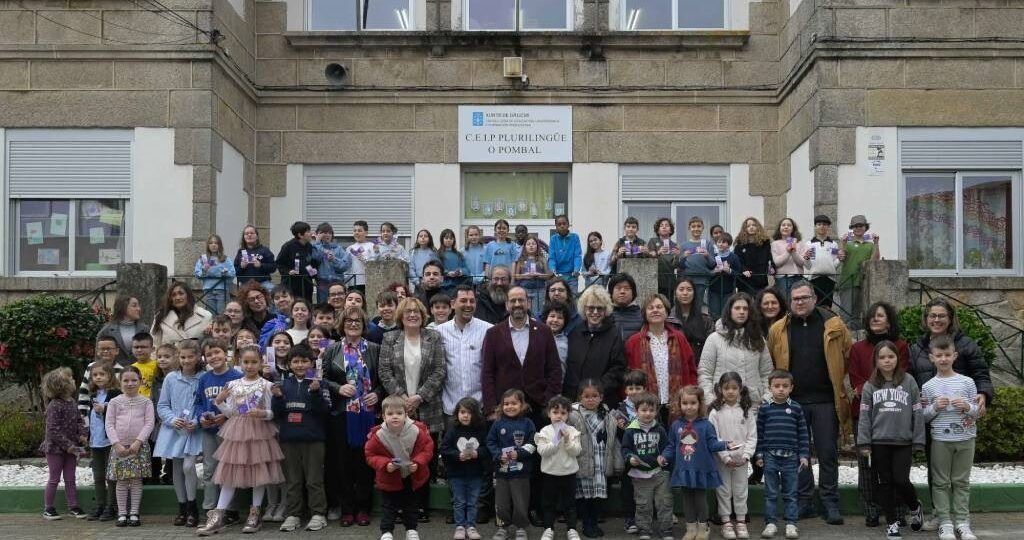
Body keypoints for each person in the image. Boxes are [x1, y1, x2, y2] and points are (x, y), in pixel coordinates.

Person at [766, 280, 851, 525]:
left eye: (804, 297)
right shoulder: (779, 329)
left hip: (825, 400)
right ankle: (803, 502)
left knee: (827, 453)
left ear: (814, 298)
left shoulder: (833, 324)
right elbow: (774, 360)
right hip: (793, 403)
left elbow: (846, 354)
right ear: (789, 302)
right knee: (797, 455)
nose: (800, 302)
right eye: (795, 299)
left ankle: (829, 502)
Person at [906, 298, 993, 534]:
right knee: (938, 474)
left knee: (959, 478)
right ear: (926, 319)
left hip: (961, 422)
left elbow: (981, 373)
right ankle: (941, 515)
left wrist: (983, 394)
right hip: (933, 418)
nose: (936, 320)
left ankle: (961, 519)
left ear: (950, 318)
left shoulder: (965, 344)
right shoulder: (918, 347)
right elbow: (910, 380)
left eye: (941, 315)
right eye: (932, 315)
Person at [198, 345, 286, 536]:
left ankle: (255, 513)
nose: (250, 366)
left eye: (254, 362)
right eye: (246, 362)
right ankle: (218, 515)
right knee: (230, 470)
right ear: (239, 362)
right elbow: (231, 412)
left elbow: (273, 413)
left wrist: (263, 413)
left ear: (261, 363)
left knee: (259, 471)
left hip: (259, 432)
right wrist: (219, 402)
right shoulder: (233, 385)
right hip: (237, 431)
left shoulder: (267, 385)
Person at [378, 297, 448, 521]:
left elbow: (439, 371)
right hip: (398, 410)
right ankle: (399, 507)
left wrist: (419, 396)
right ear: (400, 315)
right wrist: (402, 398)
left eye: (416, 311)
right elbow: (384, 372)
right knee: (398, 457)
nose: (412, 315)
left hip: (427, 407)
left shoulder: (434, 337)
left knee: (423, 458)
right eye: (407, 311)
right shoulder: (390, 338)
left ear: (422, 314)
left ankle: (420, 507)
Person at [857, 340, 926, 540]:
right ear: (876, 361)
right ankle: (892, 523)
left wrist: (918, 440)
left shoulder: (909, 381)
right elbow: (864, 417)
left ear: (897, 358)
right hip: (879, 442)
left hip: (903, 442)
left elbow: (918, 413)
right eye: (882, 357)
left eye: (891, 356)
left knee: (901, 480)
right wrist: (864, 442)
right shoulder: (870, 386)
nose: (887, 361)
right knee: (885, 483)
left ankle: (914, 507)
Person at [850, 302, 911, 527]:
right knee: (867, 466)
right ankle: (871, 509)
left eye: (880, 316)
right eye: (872, 316)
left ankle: (897, 511)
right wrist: (869, 394)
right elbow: (856, 379)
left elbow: (902, 377)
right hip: (864, 415)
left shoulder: (901, 347)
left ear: (889, 320)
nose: (875, 319)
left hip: (894, 414)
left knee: (895, 468)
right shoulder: (857, 349)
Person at [322, 306, 382, 527]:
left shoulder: (375, 349)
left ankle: (364, 508)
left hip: (368, 414)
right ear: (342, 324)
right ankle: (347, 509)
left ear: (364, 324)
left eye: (358, 321)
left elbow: (384, 379)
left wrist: (377, 394)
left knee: (365, 462)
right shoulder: (331, 350)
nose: (353, 324)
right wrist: (339, 389)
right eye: (349, 320)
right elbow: (323, 380)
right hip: (341, 414)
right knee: (343, 464)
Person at [920, 335, 980, 540]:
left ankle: (963, 522)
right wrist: (935, 407)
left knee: (961, 481)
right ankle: (945, 522)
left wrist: (968, 407)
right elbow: (924, 416)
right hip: (940, 440)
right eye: (939, 355)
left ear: (954, 356)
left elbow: (977, 412)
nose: (943, 359)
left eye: (947, 355)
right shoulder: (928, 386)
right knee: (940, 482)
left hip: (966, 438)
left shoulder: (967, 382)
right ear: (932, 358)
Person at [662, 385, 734, 540]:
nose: (689, 406)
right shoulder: (676, 425)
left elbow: (713, 444)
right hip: (684, 469)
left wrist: (726, 445)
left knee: (700, 500)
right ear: (679, 404)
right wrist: (664, 456)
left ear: (700, 404)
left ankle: (704, 527)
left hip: (701, 469)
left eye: (693, 403)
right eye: (685, 403)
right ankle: (690, 528)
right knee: (687, 500)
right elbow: (671, 445)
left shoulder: (706, 425)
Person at [271, 344, 330, 532]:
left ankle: (318, 514)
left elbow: (325, 410)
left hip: (314, 439)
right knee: (293, 480)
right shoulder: (282, 385)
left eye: (304, 361)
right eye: (295, 361)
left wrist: (315, 393)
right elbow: (277, 413)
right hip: (289, 439)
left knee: (314, 479)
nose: (300, 365)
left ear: (311, 363)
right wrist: (278, 398)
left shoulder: (320, 383)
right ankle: (293, 515)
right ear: (288, 364)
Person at [481, 286, 563, 418]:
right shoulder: (493, 333)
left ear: (528, 303)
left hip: (538, 407)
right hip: (505, 407)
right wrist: (491, 409)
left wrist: (549, 401)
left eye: (521, 300)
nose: (517, 304)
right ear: (507, 305)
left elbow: (554, 369)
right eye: (513, 301)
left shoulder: (544, 331)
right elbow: (487, 373)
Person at [365, 395, 435, 540]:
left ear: (406, 414)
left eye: (399, 413)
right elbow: (370, 454)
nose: (395, 417)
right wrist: (385, 464)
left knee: (411, 505)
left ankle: (411, 529)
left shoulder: (417, 430)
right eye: (390, 414)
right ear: (383, 416)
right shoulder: (378, 435)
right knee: (389, 506)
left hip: (411, 475)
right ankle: (386, 532)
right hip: (389, 477)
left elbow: (427, 448)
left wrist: (418, 462)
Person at [625, 294, 699, 424]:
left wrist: (691, 393)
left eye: (659, 307)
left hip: (677, 404)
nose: (655, 310)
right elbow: (627, 375)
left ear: (666, 312)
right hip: (645, 407)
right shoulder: (634, 341)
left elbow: (691, 368)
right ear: (645, 314)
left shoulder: (679, 338)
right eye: (650, 308)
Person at [755, 370, 810, 540]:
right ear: (770, 387)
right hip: (770, 456)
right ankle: (770, 523)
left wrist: (803, 455)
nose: (780, 389)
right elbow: (760, 433)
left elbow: (803, 433)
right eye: (776, 386)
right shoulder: (765, 408)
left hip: (791, 457)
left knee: (790, 493)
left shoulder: (796, 408)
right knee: (770, 492)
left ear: (791, 388)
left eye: (785, 386)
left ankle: (791, 524)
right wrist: (759, 455)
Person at [153, 339, 202, 528]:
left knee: (189, 466)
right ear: (177, 358)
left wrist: (197, 421)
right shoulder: (171, 378)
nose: (187, 360)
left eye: (191, 357)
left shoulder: (203, 377)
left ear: (198, 357)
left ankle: (193, 506)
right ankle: (182, 507)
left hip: (193, 430)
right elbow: (163, 405)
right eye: (183, 357)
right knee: (176, 468)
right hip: (175, 429)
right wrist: (172, 419)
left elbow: (206, 403)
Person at [193, 338, 243, 522]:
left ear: (226, 353)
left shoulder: (236, 377)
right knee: (209, 469)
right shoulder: (204, 379)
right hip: (209, 431)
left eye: (217, 352)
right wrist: (200, 417)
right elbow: (198, 402)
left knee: (229, 469)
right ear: (205, 358)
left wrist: (227, 416)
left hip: (230, 430)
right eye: (209, 354)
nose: (214, 357)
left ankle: (230, 509)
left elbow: (243, 404)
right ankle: (210, 508)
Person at [568, 379, 622, 538]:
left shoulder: (607, 415)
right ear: (580, 397)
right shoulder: (573, 415)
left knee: (597, 496)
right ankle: (586, 524)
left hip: (600, 461)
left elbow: (613, 440)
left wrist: (616, 461)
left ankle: (594, 522)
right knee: (585, 496)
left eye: (594, 396)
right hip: (583, 461)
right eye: (586, 396)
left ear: (601, 397)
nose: (590, 399)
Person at [698, 292, 773, 402]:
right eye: (737, 308)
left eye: (745, 309)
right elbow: (705, 373)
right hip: (722, 406)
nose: (741, 312)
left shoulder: (758, 339)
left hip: (753, 405)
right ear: (729, 311)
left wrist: (766, 398)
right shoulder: (714, 339)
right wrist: (711, 400)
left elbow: (767, 373)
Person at [708, 372, 757, 540]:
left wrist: (746, 455)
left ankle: (741, 521)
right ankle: (726, 521)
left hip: (742, 460)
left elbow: (752, 436)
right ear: (720, 390)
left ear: (740, 389)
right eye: (726, 388)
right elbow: (714, 437)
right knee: (723, 490)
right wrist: (725, 457)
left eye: (734, 388)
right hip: (723, 460)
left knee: (740, 490)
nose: (730, 391)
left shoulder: (746, 411)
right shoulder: (715, 412)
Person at [105, 366, 155, 528]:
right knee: (121, 481)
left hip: (138, 448)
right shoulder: (114, 402)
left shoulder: (146, 402)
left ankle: (134, 513)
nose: (130, 383)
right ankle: (122, 513)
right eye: (126, 380)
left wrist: (138, 441)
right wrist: (116, 444)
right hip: (119, 448)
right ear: (120, 382)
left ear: (140, 381)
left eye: (134, 380)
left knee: (135, 480)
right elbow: (109, 424)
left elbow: (149, 423)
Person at [486, 389, 537, 540]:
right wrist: (498, 455)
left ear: (522, 405)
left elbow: (533, 443)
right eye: (506, 404)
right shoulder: (497, 424)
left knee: (520, 503)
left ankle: (521, 528)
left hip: (521, 473)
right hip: (502, 472)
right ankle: (502, 527)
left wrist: (519, 454)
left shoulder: (528, 423)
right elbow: (490, 442)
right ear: (501, 406)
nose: (510, 407)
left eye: (514, 403)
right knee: (501, 504)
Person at [563, 285, 626, 408]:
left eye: (600, 308)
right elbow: (569, 367)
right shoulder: (575, 332)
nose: (595, 312)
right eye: (591, 308)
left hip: (603, 400)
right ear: (584, 309)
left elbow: (618, 368)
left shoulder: (614, 334)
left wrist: (596, 390)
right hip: (575, 400)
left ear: (606, 310)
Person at [620, 391, 671, 540]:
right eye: (643, 410)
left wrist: (664, 456)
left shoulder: (660, 429)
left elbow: (667, 446)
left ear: (656, 411)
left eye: (651, 410)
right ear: (636, 411)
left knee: (664, 502)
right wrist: (630, 458)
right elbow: (625, 449)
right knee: (643, 504)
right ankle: (644, 530)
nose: (648, 414)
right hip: (639, 474)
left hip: (659, 473)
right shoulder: (630, 430)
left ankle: (666, 529)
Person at [40, 367, 88, 520]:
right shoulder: (54, 405)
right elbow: (52, 430)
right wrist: (69, 446)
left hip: (71, 449)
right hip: (55, 449)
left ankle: (73, 506)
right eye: (71, 378)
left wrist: (82, 434)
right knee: (54, 478)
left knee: (70, 478)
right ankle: (48, 508)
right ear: (62, 385)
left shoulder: (72, 402)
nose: (74, 380)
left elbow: (79, 420)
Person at [441, 397, 490, 540]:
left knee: (473, 501)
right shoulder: (453, 431)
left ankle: (471, 526)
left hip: (476, 474)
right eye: (462, 412)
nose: (465, 415)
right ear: (457, 413)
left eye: (469, 412)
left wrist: (477, 453)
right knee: (459, 501)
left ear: (475, 414)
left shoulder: (480, 431)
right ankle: (460, 527)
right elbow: (444, 449)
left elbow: (487, 448)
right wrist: (458, 455)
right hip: (456, 474)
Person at [535, 395, 583, 540]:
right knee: (548, 503)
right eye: (555, 412)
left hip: (569, 474)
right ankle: (548, 528)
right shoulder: (544, 431)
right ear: (549, 413)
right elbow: (542, 451)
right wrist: (557, 439)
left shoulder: (573, 431)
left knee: (570, 504)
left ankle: (572, 529)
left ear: (568, 415)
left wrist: (567, 439)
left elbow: (576, 451)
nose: (559, 416)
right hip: (550, 474)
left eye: (563, 413)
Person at [85, 362, 120, 521]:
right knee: (98, 475)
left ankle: (111, 506)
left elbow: (120, 412)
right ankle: (100, 504)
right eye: (95, 375)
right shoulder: (93, 395)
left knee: (111, 475)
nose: (98, 377)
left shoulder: (115, 394)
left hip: (110, 441)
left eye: (102, 374)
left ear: (110, 376)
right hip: (95, 441)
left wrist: (104, 409)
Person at [836, 214, 881, 329]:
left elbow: (875, 260)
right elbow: (841, 257)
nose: (858, 228)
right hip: (848, 282)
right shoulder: (848, 243)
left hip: (864, 283)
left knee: (858, 313)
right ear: (852, 228)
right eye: (855, 226)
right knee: (846, 313)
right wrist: (842, 244)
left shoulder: (870, 245)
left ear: (865, 227)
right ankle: (845, 338)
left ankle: (855, 339)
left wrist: (876, 243)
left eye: (861, 225)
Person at [152, 282, 213, 347]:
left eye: (181, 293)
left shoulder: (205, 316)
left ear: (188, 295)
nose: (177, 298)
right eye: (173, 295)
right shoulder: (161, 317)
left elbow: (210, 344)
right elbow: (154, 346)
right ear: (170, 299)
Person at [668, 278, 715, 361]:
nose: (685, 293)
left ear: (694, 293)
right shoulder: (668, 320)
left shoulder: (706, 321)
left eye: (689, 290)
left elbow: (711, 349)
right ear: (675, 293)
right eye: (681, 289)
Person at [77, 337, 124, 416]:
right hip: (92, 412)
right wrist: (82, 412)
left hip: (113, 414)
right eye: (102, 349)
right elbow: (84, 391)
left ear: (116, 351)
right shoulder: (91, 367)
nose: (105, 351)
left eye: (109, 348)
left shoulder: (121, 370)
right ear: (97, 351)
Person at [678, 216, 716, 312]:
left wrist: (707, 255)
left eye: (699, 226)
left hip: (701, 280)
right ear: (689, 228)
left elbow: (712, 265)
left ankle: (696, 325)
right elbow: (680, 266)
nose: (696, 228)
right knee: (686, 306)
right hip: (687, 279)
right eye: (693, 226)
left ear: (703, 228)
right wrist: (684, 256)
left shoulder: (708, 244)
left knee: (697, 306)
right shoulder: (684, 245)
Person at [97, 296, 148, 366]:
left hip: (140, 373)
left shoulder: (144, 329)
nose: (138, 309)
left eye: (138, 306)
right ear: (123, 308)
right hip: (114, 373)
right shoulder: (106, 331)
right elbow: (98, 356)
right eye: (134, 306)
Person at [277, 221, 321, 302]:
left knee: (307, 306)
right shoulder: (288, 246)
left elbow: (312, 264)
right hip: (291, 284)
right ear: (300, 235)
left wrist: (314, 274)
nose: (311, 233)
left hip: (306, 283)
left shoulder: (309, 246)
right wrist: (288, 271)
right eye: (308, 231)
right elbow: (279, 263)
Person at [803, 215, 841, 308]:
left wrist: (840, 259)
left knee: (827, 306)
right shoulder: (809, 244)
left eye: (824, 224)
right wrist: (806, 258)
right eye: (819, 224)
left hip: (830, 280)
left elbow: (834, 264)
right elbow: (807, 266)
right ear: (815, 227)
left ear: (828, 227)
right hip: (813, 279)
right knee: (814, 305)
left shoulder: (834, 244)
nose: (822, 226)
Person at [193, 233, 235, 315]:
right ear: (208, 245)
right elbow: (198, 274)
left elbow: (232, 273)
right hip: (208, 289)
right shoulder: (203, 258)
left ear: (220, 245)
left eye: (216, 243)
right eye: (211, 243)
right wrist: (204, 271)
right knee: (210, 314)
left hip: (222, 289)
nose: (213, 245)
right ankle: (213, 328)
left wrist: (225, 273)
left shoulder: (225, 259)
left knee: (222, 313)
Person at [312, 222, 352, 305]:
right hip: (322, 283)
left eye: (330, 233)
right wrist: (318, 243)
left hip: (337, 283)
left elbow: (345, 266)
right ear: (318, 234)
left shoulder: (338, 248)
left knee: (339, 305)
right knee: (323, 307)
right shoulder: (315, 247)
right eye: (325, 233)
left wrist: (334, 259)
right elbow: (314, 258)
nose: (328, 235)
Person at [707, 232, 743, 321]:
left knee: (727, 313)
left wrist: (729, 271)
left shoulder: (733, 257)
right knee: (714, 314)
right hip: (714, 290)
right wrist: (714, 271)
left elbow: (739, 273)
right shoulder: (713, 257)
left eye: (723, 242)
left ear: (729, 244)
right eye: (719, 242)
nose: (720, 244)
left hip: (728, 291)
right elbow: (707, 272)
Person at [770, 218, 807, 301]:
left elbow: (802, 263)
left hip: (798, 277)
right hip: (783, 278)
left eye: (789, 225)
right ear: (779, 228)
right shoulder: (775, 244)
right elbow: (777, 262)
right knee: (785, 302)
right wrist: (787, 252)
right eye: (783, 225)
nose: (786, 227)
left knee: (798, 301)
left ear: (793, 228)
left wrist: (794, 252)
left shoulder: (800, 243)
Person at [734, 218, 772, 296]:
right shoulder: (740, 244)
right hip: (745, 280)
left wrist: (772, 267)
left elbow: (769, 257)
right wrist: (744, 270)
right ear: (745, 229)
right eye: (748, 226)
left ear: (758, 227)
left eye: (754, 225)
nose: (751, 227)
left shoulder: (765, 243)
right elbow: (738, 260)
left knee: (758, 305)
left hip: (760, 280)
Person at [514, 236, 553, 312]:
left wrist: (539, 275)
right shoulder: (521, 259)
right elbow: (516, 276)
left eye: (533, 244)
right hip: (525, 290)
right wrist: (525, 276)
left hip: (539, 290)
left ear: (537, 246)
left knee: (538, 312)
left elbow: (548, 275)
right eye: (528, 244)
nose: (531, 246)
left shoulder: (542, 259)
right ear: (525, 247)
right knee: (525, 311)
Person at [648, 217, 682, 300]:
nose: (664, 227)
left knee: (668, 304)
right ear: (658, 230)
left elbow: (675, 266)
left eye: (667, 225)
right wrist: (658, 253)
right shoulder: (652, 241)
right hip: (655, 279)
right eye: (661, 225)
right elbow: (648, 259)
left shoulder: (674, 245)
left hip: (669, 281)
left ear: (670, 230)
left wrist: (678, 256)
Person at [549, 215, 583, 292]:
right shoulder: (553, 239)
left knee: (572, 299)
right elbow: (552, 257)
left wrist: (576, 269)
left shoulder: (575, 237)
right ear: (556, 226)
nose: (562, 226)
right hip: (558, 276)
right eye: (559, 224)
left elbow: (577, 255)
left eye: (564, 223)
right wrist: (552, 269)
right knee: (559, 300)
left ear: (568, 224)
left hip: (572, 276)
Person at [608, 273, 643, 342]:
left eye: (626, 288)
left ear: (633, 293)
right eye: (618, 288)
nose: (622, 291)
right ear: (611, 292)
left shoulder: (642, 316)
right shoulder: (604, 315)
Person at [542, 302, 571, 378]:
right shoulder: (537, 338)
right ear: (546, 318)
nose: (555, 320)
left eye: (560, 317)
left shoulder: (568, 342)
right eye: (552, 316)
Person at [347, 220, 377, 291]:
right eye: (355, 231)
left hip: (367, 281)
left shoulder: (371, 246)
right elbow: (347, 267)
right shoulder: (349, 248)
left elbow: (374, 264)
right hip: (353, 282)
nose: (356, 233)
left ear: (366, 233)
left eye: (359, 231)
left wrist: (364, 258)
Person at [438, 228, 470, 292]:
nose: (449, 240)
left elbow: (466, 270)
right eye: (446, 238)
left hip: (458, 286)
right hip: (444, 287)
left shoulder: (459, 254)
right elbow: (436, 269)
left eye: (451, 238)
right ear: (442, 240)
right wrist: (447, 273)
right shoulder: (438, 254)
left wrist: (461, 272)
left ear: (454, 240)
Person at [129, 332, 157, 398]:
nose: (139, 350)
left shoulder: (158, 366)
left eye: (143, 347)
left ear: (152, 349)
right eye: (136, 347)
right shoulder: (131, 368)